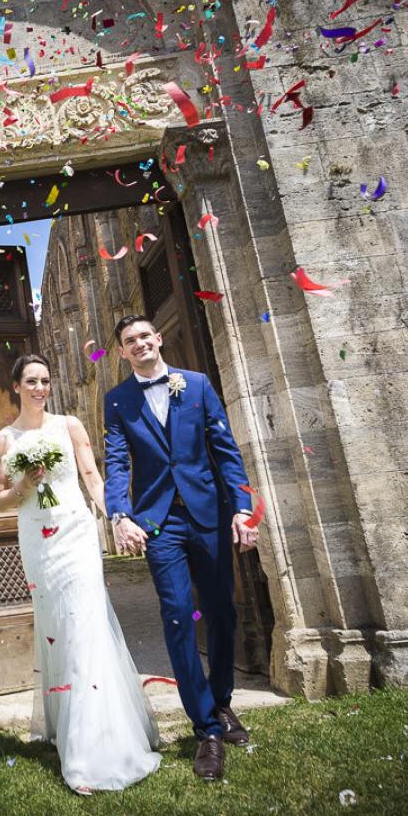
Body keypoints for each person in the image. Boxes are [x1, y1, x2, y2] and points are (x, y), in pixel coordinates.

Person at [0, 354, 162, 795]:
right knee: (57, 629)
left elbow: (93, 479)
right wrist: (25, 484)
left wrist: (118, 518)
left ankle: (91, 751)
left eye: (46, 380)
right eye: (31, 380)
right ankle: (64, 723)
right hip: (38, 541)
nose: (40, 388)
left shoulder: (70, 426)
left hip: (76, 534)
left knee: (85, 626)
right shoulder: (2, 440)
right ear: (16, 386)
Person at [102, 314, 260, 781]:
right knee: (177, 616)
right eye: (129, 341)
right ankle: (207, 729)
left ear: (159, 339)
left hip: (208, 514)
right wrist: (119, 514)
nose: (139, 344)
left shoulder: (196, 385)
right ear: (123, 351)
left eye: (144, 336)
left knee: (221, 611)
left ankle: (223, 701)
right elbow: (115, 460)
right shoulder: (117, 401)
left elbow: (225, 450)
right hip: (158, 523)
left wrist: (242, 509)